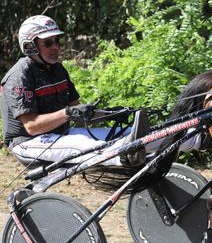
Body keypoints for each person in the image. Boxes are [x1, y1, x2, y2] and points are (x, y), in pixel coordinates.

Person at [1, 14, 149, 167]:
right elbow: (32, 127)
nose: (56, 47)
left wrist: (113, 114)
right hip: (28, 142)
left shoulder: (57, 69)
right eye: (48, 42)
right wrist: (68, 112)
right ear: (30, 46)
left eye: (57, 41)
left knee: (132, 134)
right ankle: (127, 157)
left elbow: (79, 112)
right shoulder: (19, 76)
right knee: (85, 145)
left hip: (61, 134)